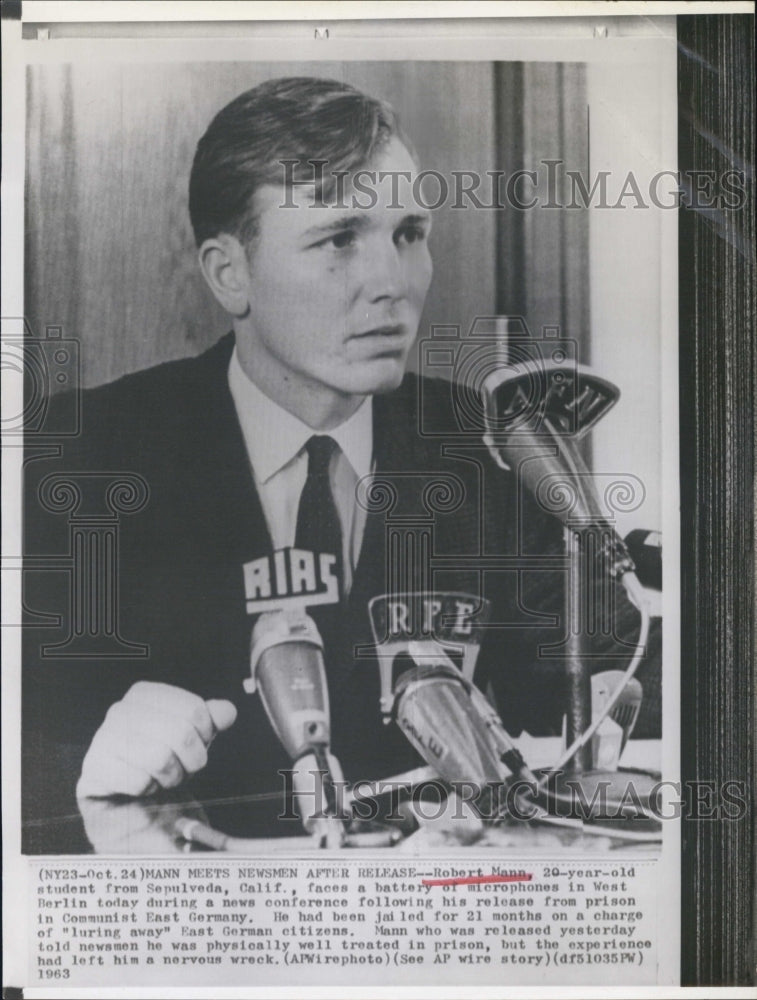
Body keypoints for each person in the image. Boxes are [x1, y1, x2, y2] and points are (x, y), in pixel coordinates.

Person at [22, 77, 641, 849]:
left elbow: (614, 679)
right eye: (339, 238)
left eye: (408, 234)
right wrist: (88, 767)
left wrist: (614, 714)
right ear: (229, 273)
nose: (392, 283)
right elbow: (26, 739)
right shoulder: (79, 454)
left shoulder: (492, 448)